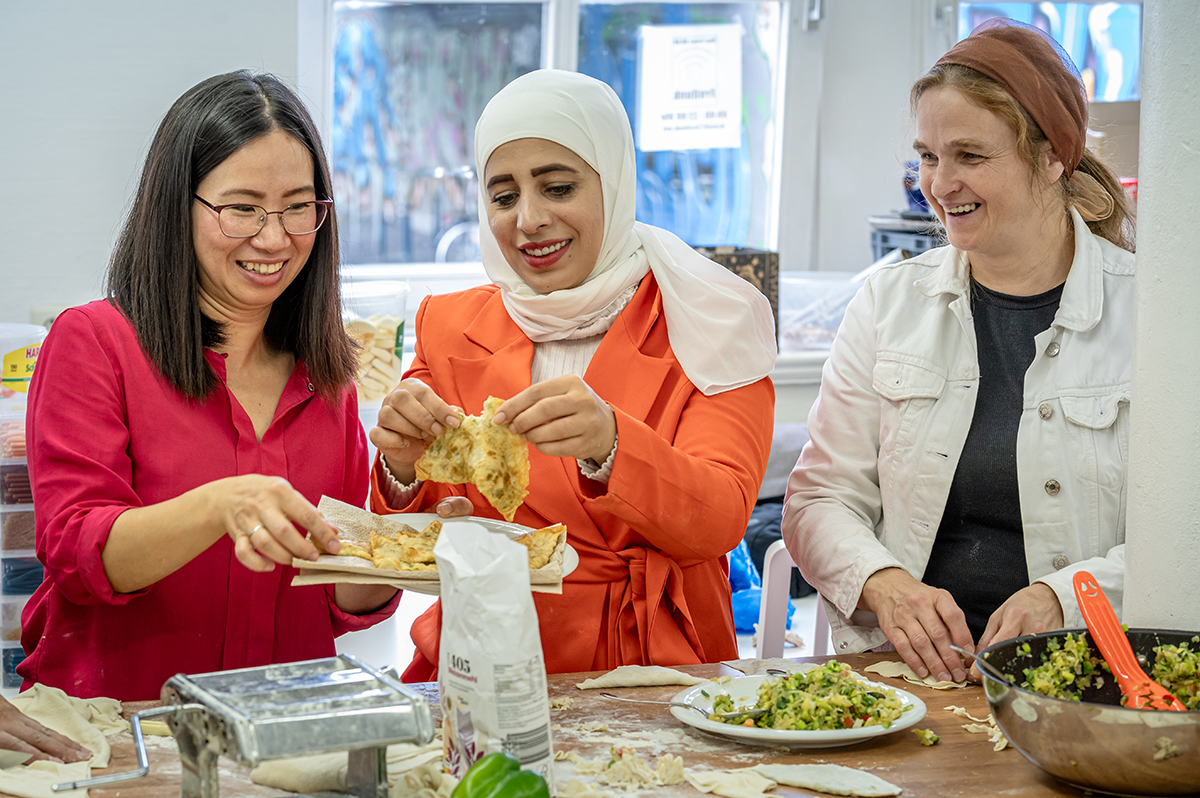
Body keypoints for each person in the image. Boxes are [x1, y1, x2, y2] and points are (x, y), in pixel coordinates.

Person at [369, 69, 777, 681]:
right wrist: (400, 467)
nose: (528, 219)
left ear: (613, 185)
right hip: (485, 662)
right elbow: (418, 534)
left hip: (651, 665)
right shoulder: (448, 325)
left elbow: (718, 520)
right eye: (503, 197)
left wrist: (612, 443)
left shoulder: (712, 323)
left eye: (557, 188)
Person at [20, 71, 400, 701]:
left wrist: (407, 538)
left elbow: (337, 597)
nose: (274, 238)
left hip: (280, 729)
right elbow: (79, 556)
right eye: (242, 208)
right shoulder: (94, 341)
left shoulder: (327, 374)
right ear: (179, 204)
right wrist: (220, 505)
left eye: (298, 207)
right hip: (123, 729)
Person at [782, 19, 1136, 684]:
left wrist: (1066, 597)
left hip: (1088, 686)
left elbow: (1184, 533)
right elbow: (819, 498)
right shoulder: (888, 302)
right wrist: (883, 582)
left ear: (1054, 155)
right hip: (910, 682)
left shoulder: (1155, 316)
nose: (938, 185)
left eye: (970, 156)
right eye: (927, 156)